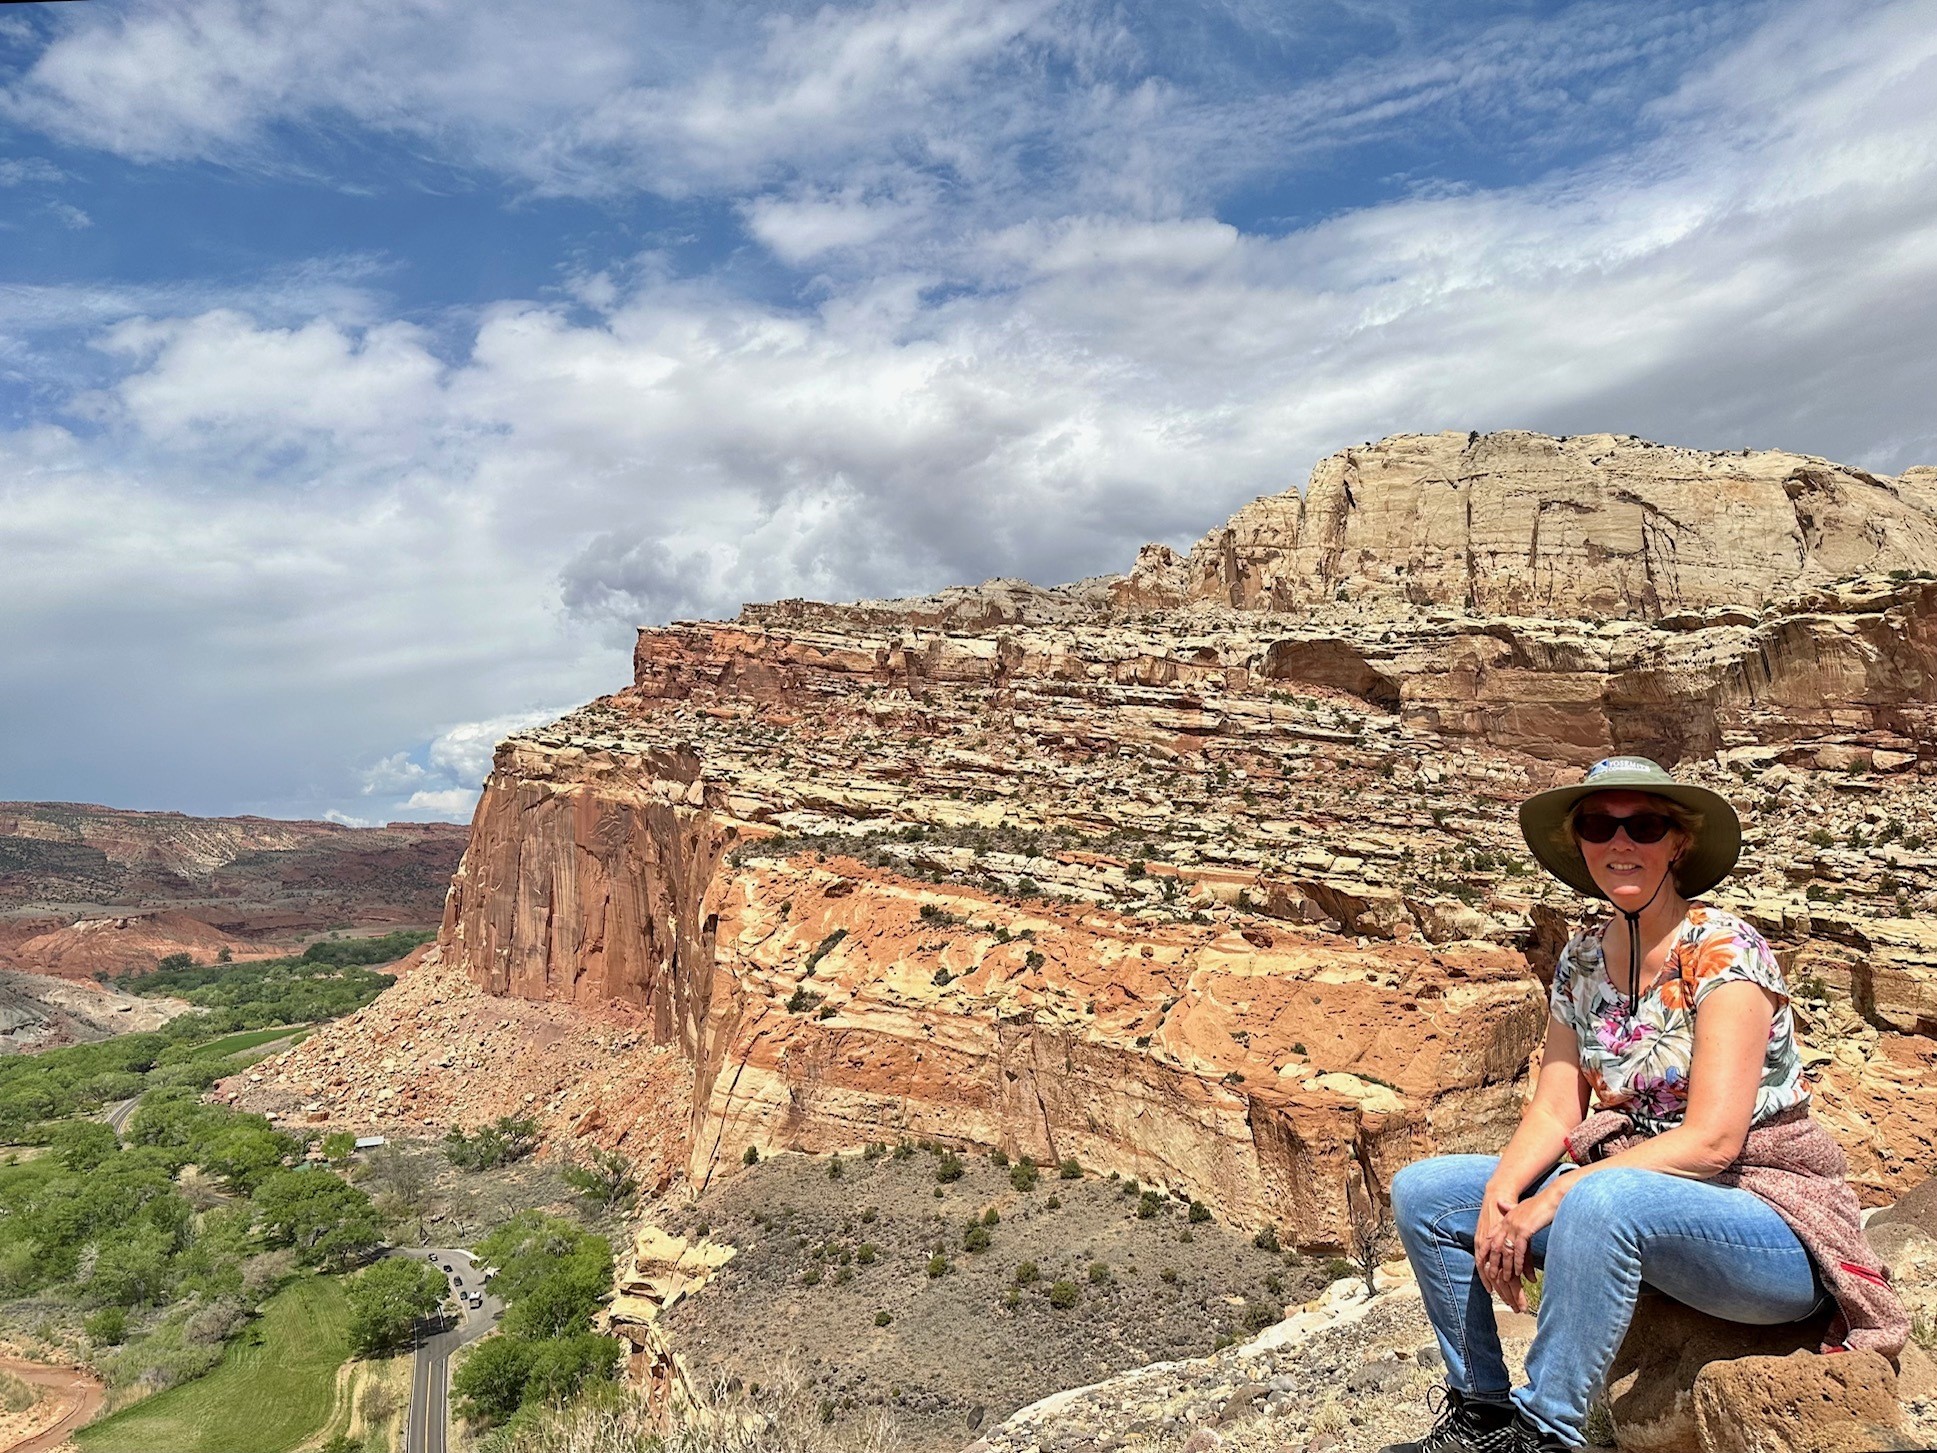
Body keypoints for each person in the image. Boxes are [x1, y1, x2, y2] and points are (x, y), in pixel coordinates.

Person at [1379, 756, 1907, 1453]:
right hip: (1639, 1202)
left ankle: (1546, 1430)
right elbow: (1553, 1107)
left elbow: (1714, 1140)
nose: (1620, 842)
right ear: (1579, 844)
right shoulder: (1581, 960)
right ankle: (1479, 1410)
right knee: (1426, 1192)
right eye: (1599, 825)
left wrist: (1554, 1196)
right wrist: (1501, 1198)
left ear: (1677, 842)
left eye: (1643, 825)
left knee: (1599, 1198)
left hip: (1767, 1218)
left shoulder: (1722, 949)